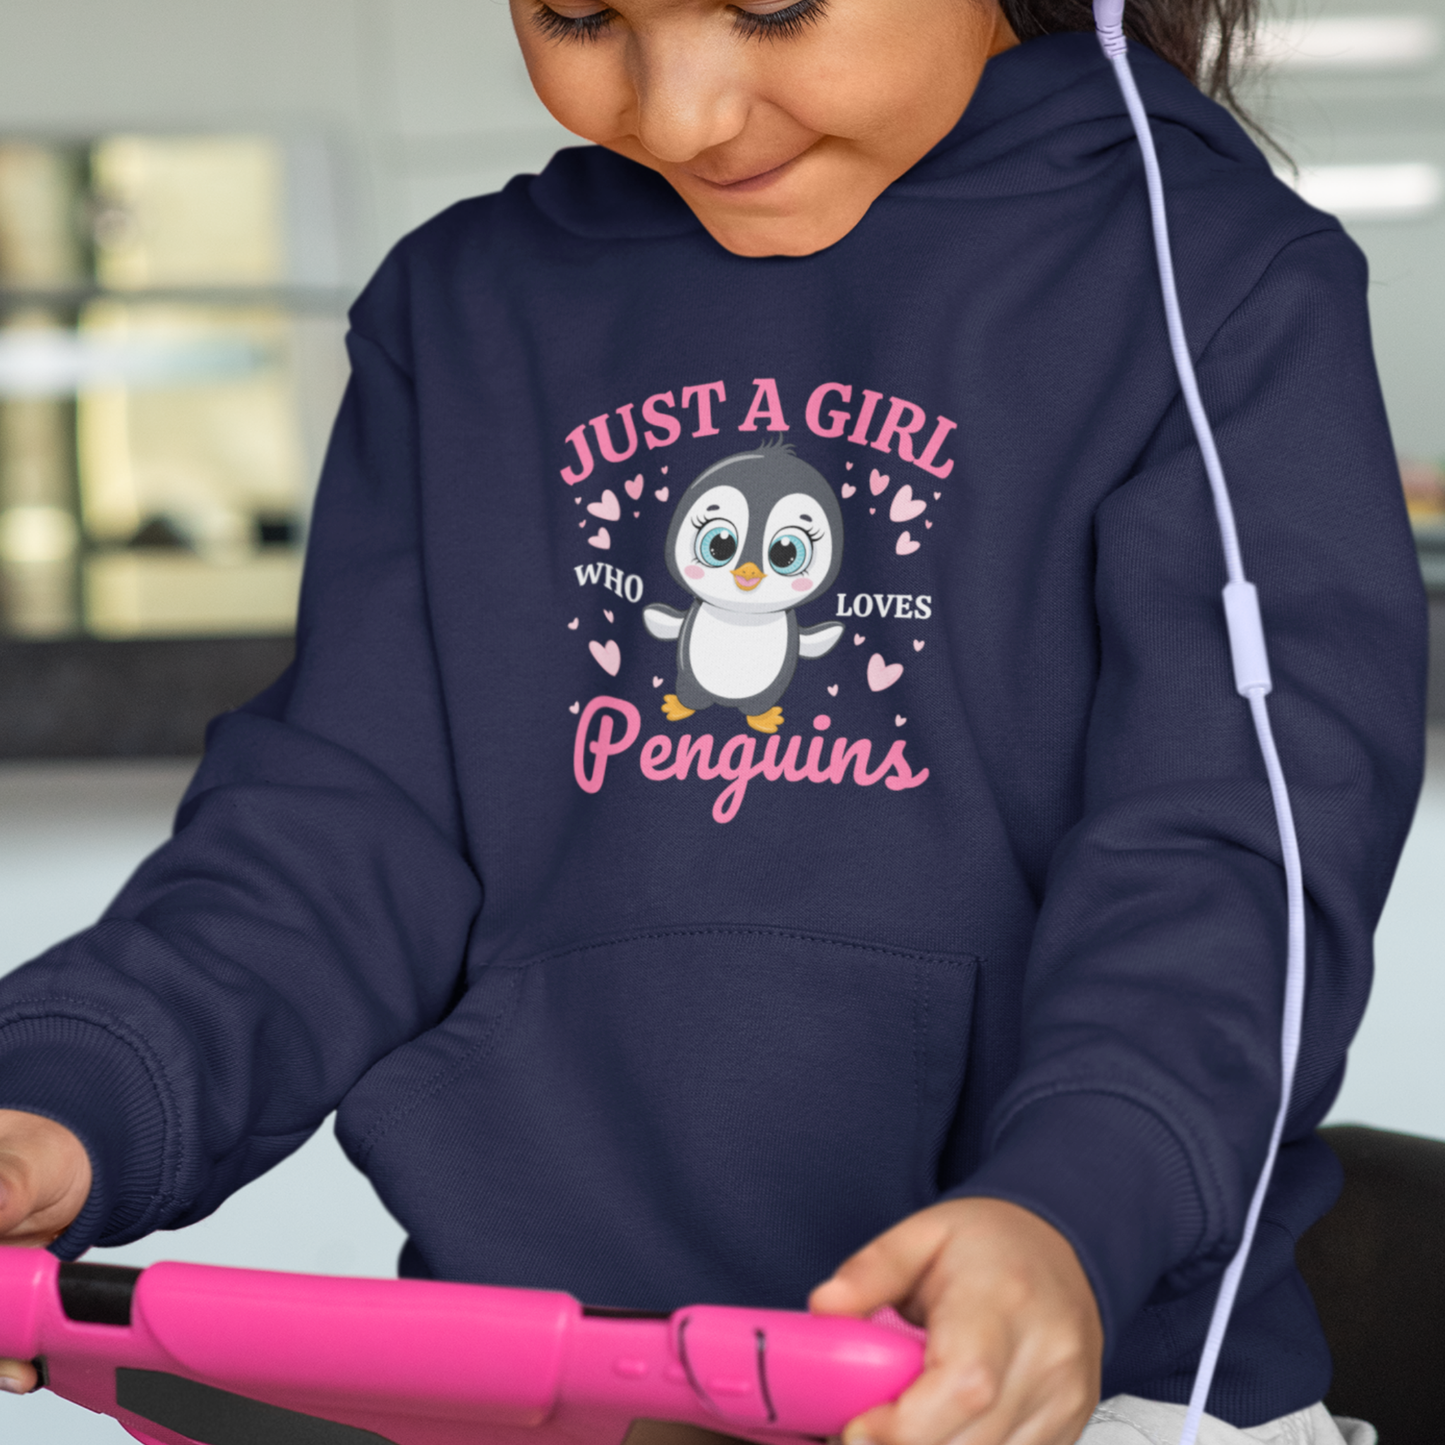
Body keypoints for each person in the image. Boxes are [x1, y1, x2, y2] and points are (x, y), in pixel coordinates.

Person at [0, 0, 1426, 1442]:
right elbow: (330, 852)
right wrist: (65, 1096)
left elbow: (1232, 877)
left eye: (769, 7)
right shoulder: (464, 315)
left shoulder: (1215, 284)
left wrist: (1074, 1212)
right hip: (552, 1387)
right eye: (577, 14)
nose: (679, 112)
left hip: (1072, 1385)